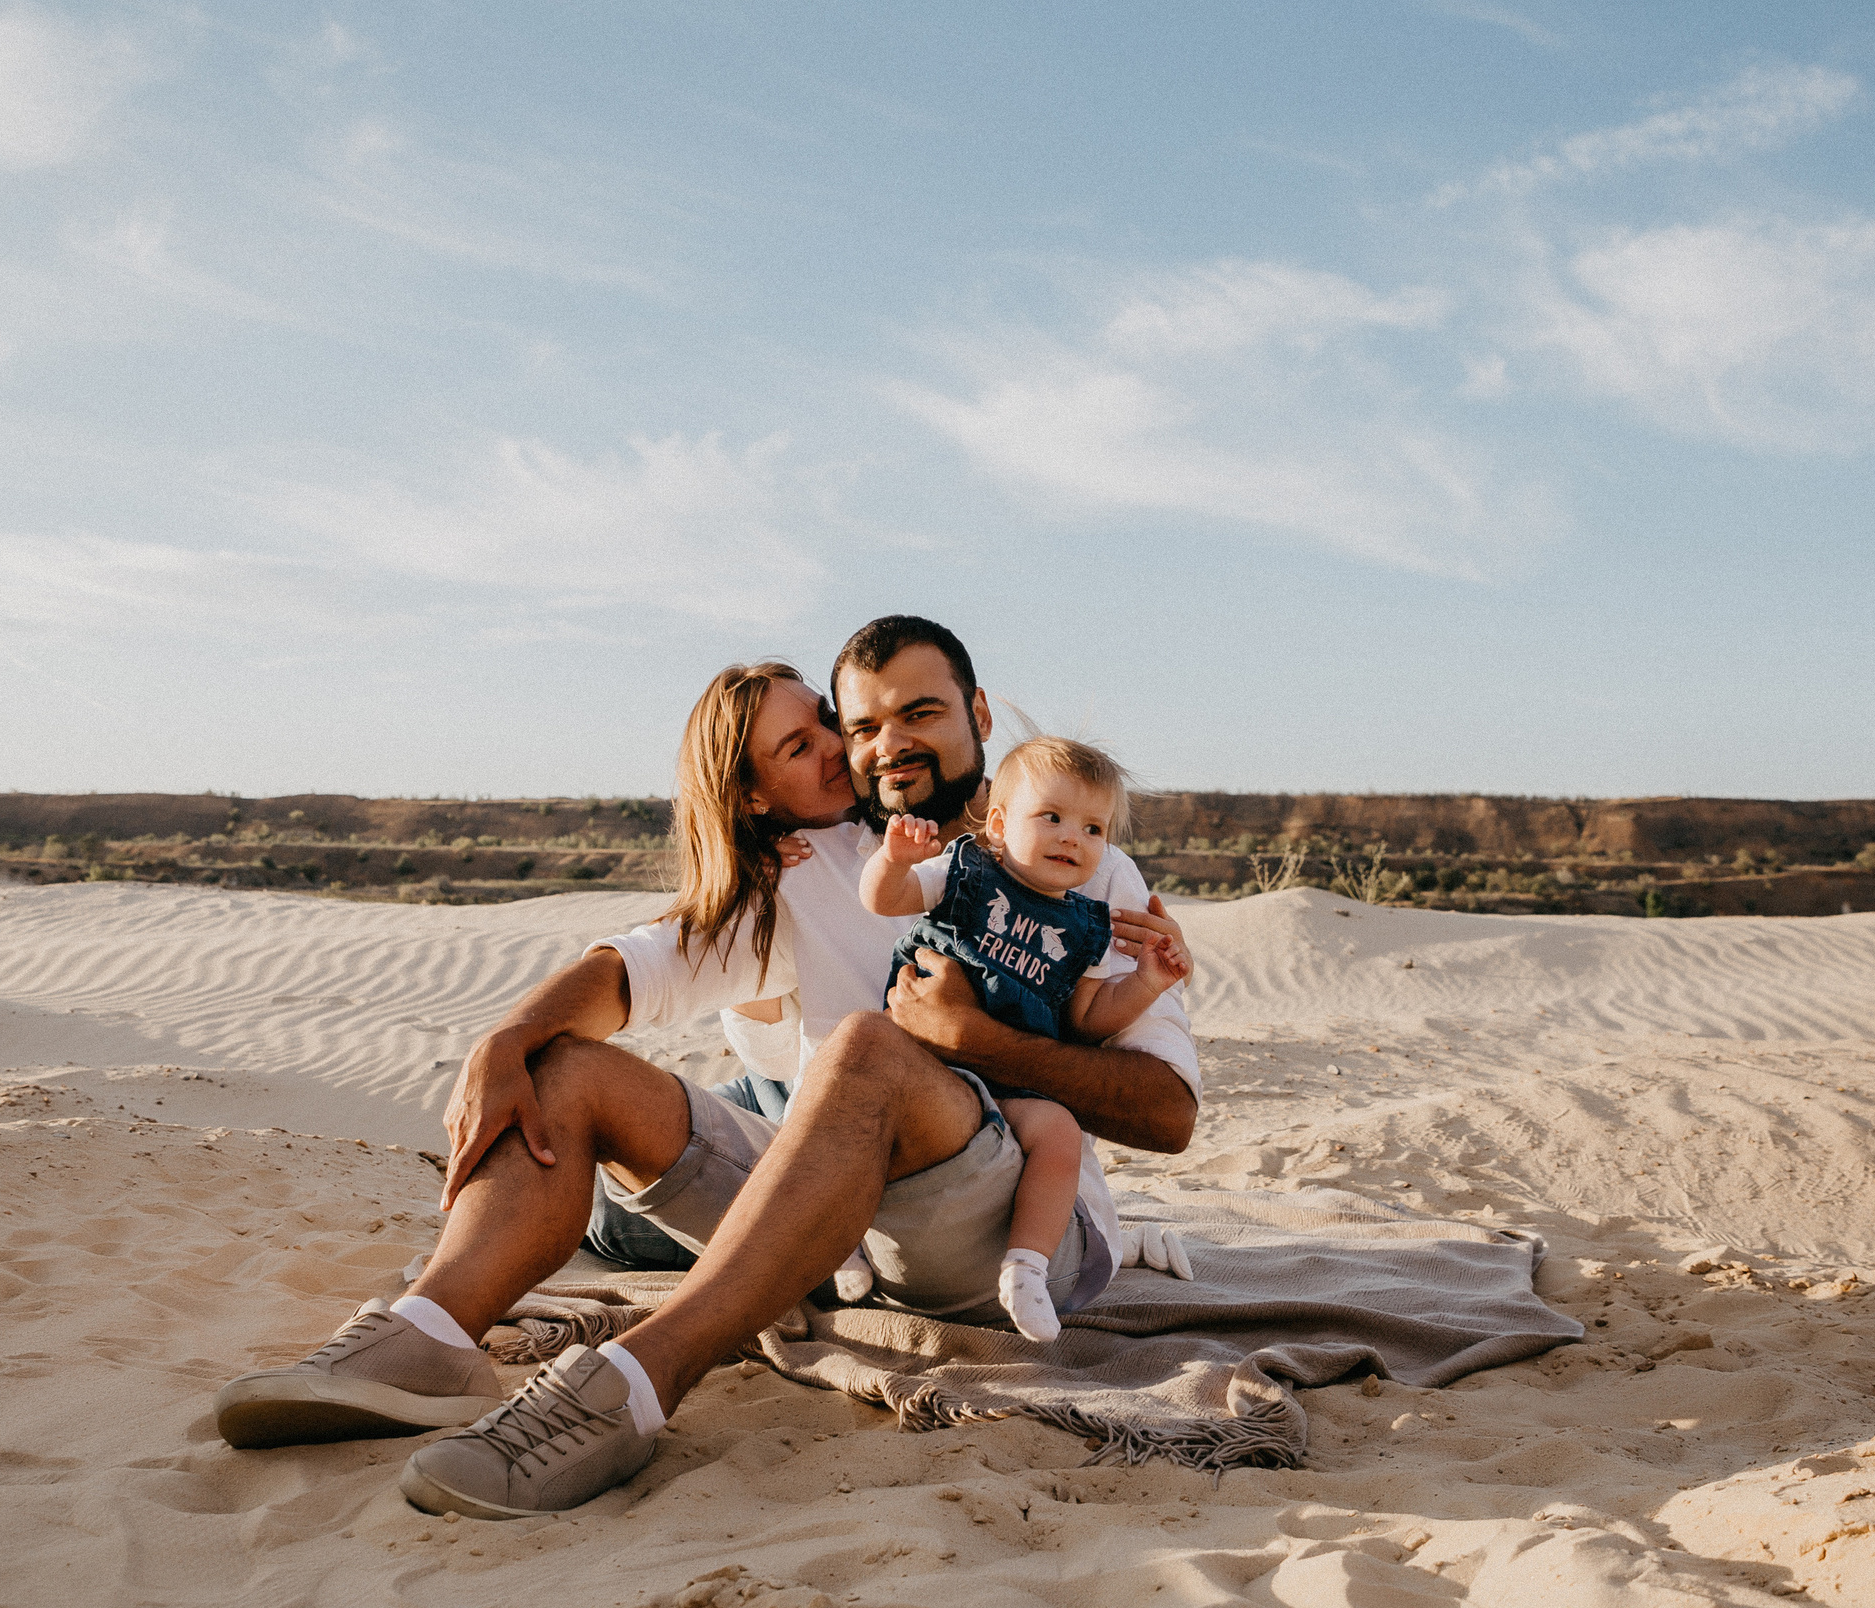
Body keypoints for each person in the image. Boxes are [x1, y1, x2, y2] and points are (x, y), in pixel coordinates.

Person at [210, 618, 1199, 1522]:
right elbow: (639, 965)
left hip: (1009, 1224)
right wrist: (508, 1036)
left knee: (865, 1046)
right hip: (848, 1227)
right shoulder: (810, 865)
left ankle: (635, 1383)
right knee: (568, 1068)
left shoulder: (1079, 858)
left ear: (979, 715)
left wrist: (977, 1038)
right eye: (850, 725)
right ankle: (431, 1328)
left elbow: (1166, 1113)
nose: (885, 741)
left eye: (921, 712)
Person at [861, 735, 1191, 1340]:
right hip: (925, 1068)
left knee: (1060, 1135)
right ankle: (846, 1242)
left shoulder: (1087, 927)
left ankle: (1027, 1268)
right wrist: (896, 861)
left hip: (1010, 1085)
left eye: (1095, 829)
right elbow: (887, 900)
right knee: (865, 1128)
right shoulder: (966, 875)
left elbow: (1092, 1017)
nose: (1073, 837)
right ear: (998, 822)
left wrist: (1146, 983)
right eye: (1053, 818)